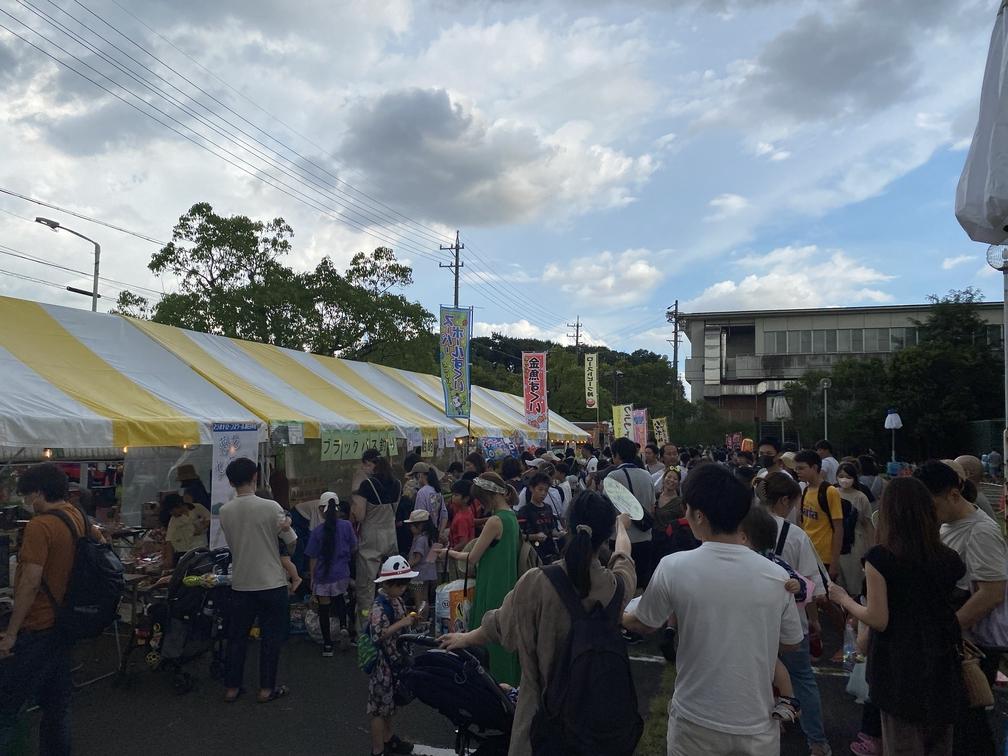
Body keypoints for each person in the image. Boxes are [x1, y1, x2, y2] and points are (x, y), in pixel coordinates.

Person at [623, 463, 804, 755]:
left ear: (698, 515)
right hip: (756, 723)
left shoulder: (675, 567)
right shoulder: (776, 577)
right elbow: (792, 641)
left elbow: (644, 622)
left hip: (695, 719)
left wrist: (616, 611)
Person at [440, 492, 636, 756]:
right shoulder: (615, 587)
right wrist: (621, 528)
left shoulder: (537, 582)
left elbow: (498, 625)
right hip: (598, 725)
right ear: (605, 536)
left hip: (540, 725)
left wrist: (463, 638)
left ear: (567, 527)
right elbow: (624, 557)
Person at [828, 477, 966, 755]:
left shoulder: (880, 558)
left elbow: (878, 618)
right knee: (939, 744)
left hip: (896, 666)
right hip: (942, 662)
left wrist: (843, 599)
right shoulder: (949, 558)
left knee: (902, 742)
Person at [0, 463, 104, 754]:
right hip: (67, 621)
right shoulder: (77, 515)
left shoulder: (40, 526)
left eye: (26, 495)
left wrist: (11, 633)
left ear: (38, 492)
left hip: (38, 626)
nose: (25, 502)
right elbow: (101, 543)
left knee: (7, 707)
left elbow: (30, 582)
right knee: (57, 705)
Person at [917, 460, 1007, 756]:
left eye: (931, 502)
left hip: (974, 644)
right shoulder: (948, 524)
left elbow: (992, 593)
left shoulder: (981, 530)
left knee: (969, 726)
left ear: (954, 494)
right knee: (958, 724)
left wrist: (949, 630)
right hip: (959, 638)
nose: (928, 511)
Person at [756, 472, 831, 756]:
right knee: (803, 678)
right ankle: (817, 743)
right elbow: (813, 587)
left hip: (752, 621)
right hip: (790, 621)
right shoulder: (796, 535)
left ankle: (770, 726)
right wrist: (813, 620)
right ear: (785, 501)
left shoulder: (741, 528)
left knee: (760, 677)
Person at [219, 458, 296, 703]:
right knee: (271, 638)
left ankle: (232, 687)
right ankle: (266, 689)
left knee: (237, 637)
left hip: (241, 582)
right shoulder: (271, 506)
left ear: (230, 481)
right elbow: (291, 542)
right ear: (255, 476)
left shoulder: (225, 510)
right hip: (271, 581)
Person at [440, 473, 521, 686]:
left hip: (491, 583)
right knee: (505, 630)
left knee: (488, 631)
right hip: (508, 582)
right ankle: (510, 684)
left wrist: (451, 554)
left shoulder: (495, 521)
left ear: (488, 497)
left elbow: (473, 557)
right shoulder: (511, 517)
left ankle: (490, 684)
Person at [738, 505, 806, 724]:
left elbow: (801, 584)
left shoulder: (774, 563)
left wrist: (796, 586)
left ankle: (788, 701)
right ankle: (779, 705)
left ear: (744, 537)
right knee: (767, 670)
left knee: (775, 666)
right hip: (751, 623)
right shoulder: (745, 560)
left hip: (765, 628)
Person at [367, 556, 419, 756]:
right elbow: (377, 634)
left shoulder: (395, 599)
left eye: (405, 584)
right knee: (379, 709)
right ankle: (378, 749)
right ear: (387, 584)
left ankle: (388, 739)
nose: (403, 589)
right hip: (382, 664)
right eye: (399, 585)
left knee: (389, 704)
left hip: (393, 661)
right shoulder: (379, 606)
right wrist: (402, 623)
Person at [353, 455, 402, 632]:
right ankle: (391, 622)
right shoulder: (397, 484)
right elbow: (395, 510)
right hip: (390, 536)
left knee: (366, 587)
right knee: (391, 583)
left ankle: (366, 629)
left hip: (371, 538)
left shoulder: (367, 485)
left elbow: (360, 515)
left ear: (373, 466)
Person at [305, 493, 357, 656]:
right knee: (340, 599)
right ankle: (343, 626)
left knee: (324, 609)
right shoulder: (347, 526)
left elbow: (313, 557)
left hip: (323, 575)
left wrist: (313, 578)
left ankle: (327, 645)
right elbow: (354, 547)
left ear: (321, 510)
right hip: (341, 573)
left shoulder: (317, 532)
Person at [607, 436, 657, 588]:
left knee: (622, 583)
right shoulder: (647, 475)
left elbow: (608, 510)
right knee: (642, 583)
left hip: (621, 539)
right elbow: (652, 506)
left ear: (616, 455)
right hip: (645, 536)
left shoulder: (613, 477)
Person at [795, 449, 844, 581]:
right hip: (808, 555)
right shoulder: (805, 490)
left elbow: (838, 528)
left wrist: (834, 563)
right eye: (796, 468)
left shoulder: (829, 491)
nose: (797, 471)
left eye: (802, 468)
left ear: (815, 467)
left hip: (825, 558)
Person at [836, 462, 876, 595]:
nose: (844, 480)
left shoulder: (860, 497)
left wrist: (871, 549)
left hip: (855, 544)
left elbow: (867, 524)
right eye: (841, 476)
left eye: (848, 476)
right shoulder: (832, 493)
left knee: (854, 581)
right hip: (835, 542)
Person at [517, 472, 563, 564]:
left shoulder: (548, 508)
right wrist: (535, 536)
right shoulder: (524, 511)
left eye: (546, 490)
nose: (543, 493)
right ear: (531, 488)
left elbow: (552, 530)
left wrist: (560, 534)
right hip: (533, 554)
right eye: (540, 489)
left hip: (550, 553)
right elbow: (519, 536)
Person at [405, 509, 437, 620]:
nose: (411, 528)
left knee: (418, 600)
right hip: (427, 573)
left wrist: (406, 567)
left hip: (417, 575)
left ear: (421, 525)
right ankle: (425, 619)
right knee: (425, 599)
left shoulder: (420, 540)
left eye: (413, 525)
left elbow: (417, 558)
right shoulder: (429, 538)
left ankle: (420, 621)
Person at [162, 492, 208, 566]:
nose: (172, 513)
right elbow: (169, 540)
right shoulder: (173, 520)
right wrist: (169, 560)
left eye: (172, 510)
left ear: (179, 505)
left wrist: (202, 527)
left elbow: (210, 519)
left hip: (201, 548)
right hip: (184, 551)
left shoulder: (197, 508)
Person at [410, 463, 449, 543]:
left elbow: (419, 517)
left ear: (420, 475)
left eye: (415, 476)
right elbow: (444, 514)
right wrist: (440, 532)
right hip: (435, 535)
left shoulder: (422, 492)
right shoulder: (437, 492)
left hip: (424, 536)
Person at [954, 455, 997, 520]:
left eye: (954, 471)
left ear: (967, 474)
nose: (950, 474)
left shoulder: (970, 501)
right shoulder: (975, 498)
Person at [448, 478, 476, 548]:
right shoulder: (467, 511)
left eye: (456, 495)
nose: (452, 497)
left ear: (466, 499)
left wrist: (448, 553)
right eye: (453, 494)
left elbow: (463, 543)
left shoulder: (461, 519)